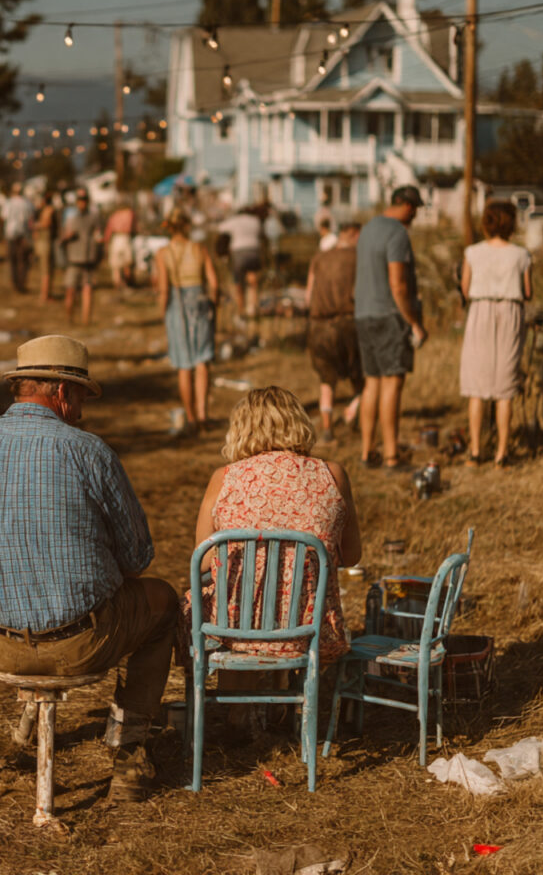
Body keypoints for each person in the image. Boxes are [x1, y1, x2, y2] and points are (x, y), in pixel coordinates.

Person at [0, 335, 178, 803]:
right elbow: (137, 559)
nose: (82, 411)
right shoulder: (90, 452)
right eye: (82, 398)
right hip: (84, 643)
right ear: (63, 393)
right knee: (164, 601)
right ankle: (130, 757)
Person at [180, 387, 360, 713]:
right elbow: (352, 555)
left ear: (241, 429)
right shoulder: (332, 474)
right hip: (305, 627)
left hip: (234, 627)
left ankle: (234, 712)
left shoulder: (224, 478)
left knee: (201, 598)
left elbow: (203, 558)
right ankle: (279, 704)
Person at [354, 185, 427, 469]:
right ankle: (391, 455)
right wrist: (414, 322)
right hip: (389, 317)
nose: (416, 215)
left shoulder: (368, 229)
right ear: (407, 206)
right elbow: (398, 285)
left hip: (363, 314)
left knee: (371, 382)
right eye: (416, 209)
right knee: (392, 383)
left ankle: (366, 451)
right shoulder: (397, 233)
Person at [460, 200, 532, 468]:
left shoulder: (472, 252)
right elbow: (527, 292)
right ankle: (502, 453)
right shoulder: (521, 255)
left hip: (480, 312)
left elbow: (465, 289)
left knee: (477, 386)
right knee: (505, 387)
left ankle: (475, 451)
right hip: (509, 314)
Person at [155, 207, 219, 433]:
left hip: (177, 305)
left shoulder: (163, 253)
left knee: (184, 365)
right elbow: (214, 283)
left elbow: (164, 289)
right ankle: (203, 415)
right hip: (199, 302)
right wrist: (214, 305)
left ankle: (190, 418)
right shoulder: (199, 248)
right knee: (202, 362)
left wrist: (163, 313)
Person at [305, 221, 363, 443]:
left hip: (318, 327)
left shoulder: (319, 258)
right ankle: (354, 413)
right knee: (359, 377)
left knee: (326, 381)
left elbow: (308, 296)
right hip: (347, 324)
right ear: (354, 234)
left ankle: (327, 429)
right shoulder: (357, 257)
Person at [60, 187, 102, 325]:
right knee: (70, 291)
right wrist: (67, 237)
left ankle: (86, 321)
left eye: (84, 199)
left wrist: (98, 245)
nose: (82, 202)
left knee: (87, 291)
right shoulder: (71, 218)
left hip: (88, 260)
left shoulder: (94, 217)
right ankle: (69, 319)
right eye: (80, 199)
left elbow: (99, 235)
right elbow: (62, 239)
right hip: (74, 260)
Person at [217, 205, 263, 324]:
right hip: (254, 251)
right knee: (253, 281)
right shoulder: (255, 221)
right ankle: (253, 307)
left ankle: (241, 311)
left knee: (239, 284)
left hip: (239, 253)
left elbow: (220, 228)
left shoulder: (235, 220)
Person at [1, 184, 34, 293]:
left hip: (11, 234)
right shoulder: (27, 203)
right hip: (23, 234)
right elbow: (30, 219)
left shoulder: (8, 202)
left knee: (13, 259)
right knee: (23, 260)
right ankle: (22, 283)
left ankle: (15, 282)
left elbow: (3, 218)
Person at [104, 196, 137, 293]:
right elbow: (134, 227)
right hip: (125, 238)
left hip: (116, 239)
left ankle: (118, 284)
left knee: (116, 266)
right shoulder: (130, 213)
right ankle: (127, 283)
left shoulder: (114, 215)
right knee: (127, 263)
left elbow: (109, 230)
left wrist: (106, 242)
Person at [32, 191, 58, 303]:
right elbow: (46, 223)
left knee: (46, 270)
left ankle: (46, 294)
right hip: (46, 243)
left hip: (42, 243)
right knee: (46, 271)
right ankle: (45, 295)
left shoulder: (41, 210)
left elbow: (36, 229)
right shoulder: (49, 210)